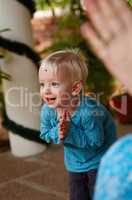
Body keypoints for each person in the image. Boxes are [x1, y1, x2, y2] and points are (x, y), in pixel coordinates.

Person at [39, 50, 117, 200]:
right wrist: (58, 132)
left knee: (100, 194)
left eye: (54, 84)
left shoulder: (89, 112)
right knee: (77, 194)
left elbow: (96, 141)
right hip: (74, 161)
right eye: (42, 84)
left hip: (100, 157)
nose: (46, 90)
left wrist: (69, 131)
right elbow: (45, 133)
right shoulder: (48, 111)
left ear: (75, 88)